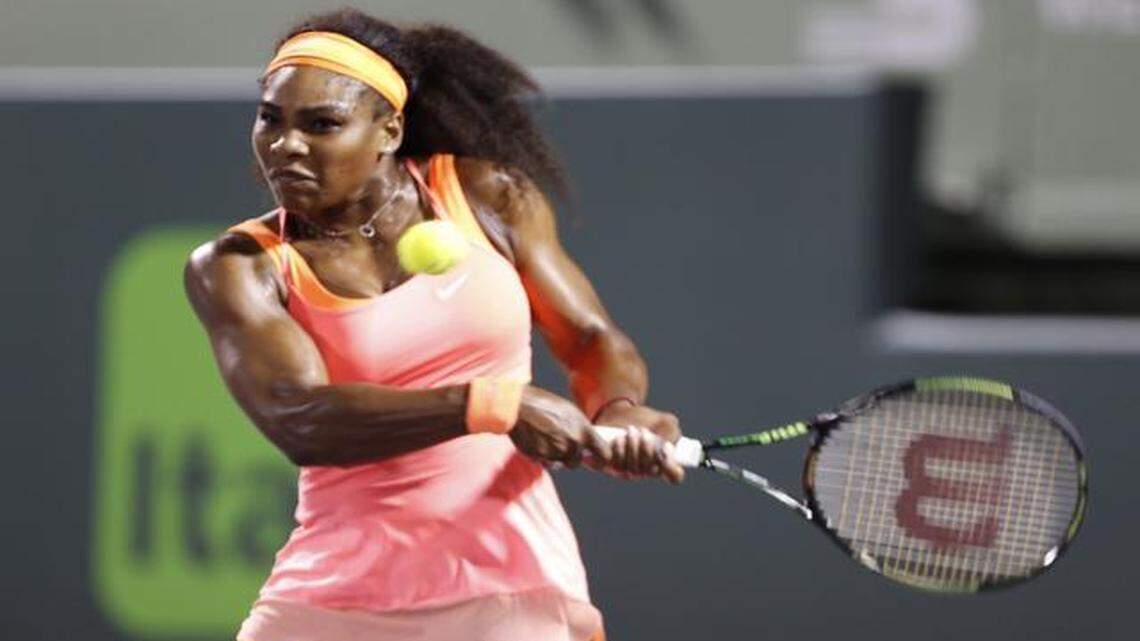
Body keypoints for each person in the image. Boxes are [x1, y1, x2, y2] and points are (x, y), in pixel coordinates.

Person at [184, 7, 684, 641]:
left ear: (388, 131)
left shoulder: (486, 196)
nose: (286, 145)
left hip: (508, 584)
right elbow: (300, 417)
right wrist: (494, 404)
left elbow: (590, 339)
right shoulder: (240, 264)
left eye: (322, 124)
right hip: (332, 594)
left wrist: (616, 407)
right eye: (270, 118)